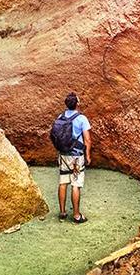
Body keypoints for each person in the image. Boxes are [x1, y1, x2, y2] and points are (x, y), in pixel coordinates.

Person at [57, 92, 91, 223]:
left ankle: (62, 212)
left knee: (63, 182)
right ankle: (77, 215)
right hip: (77, 156)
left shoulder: (61, 117)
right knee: (76, 184)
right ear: (77, 104)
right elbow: (87, 139)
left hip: (63, 155)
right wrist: (87, 155)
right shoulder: (82, 118)